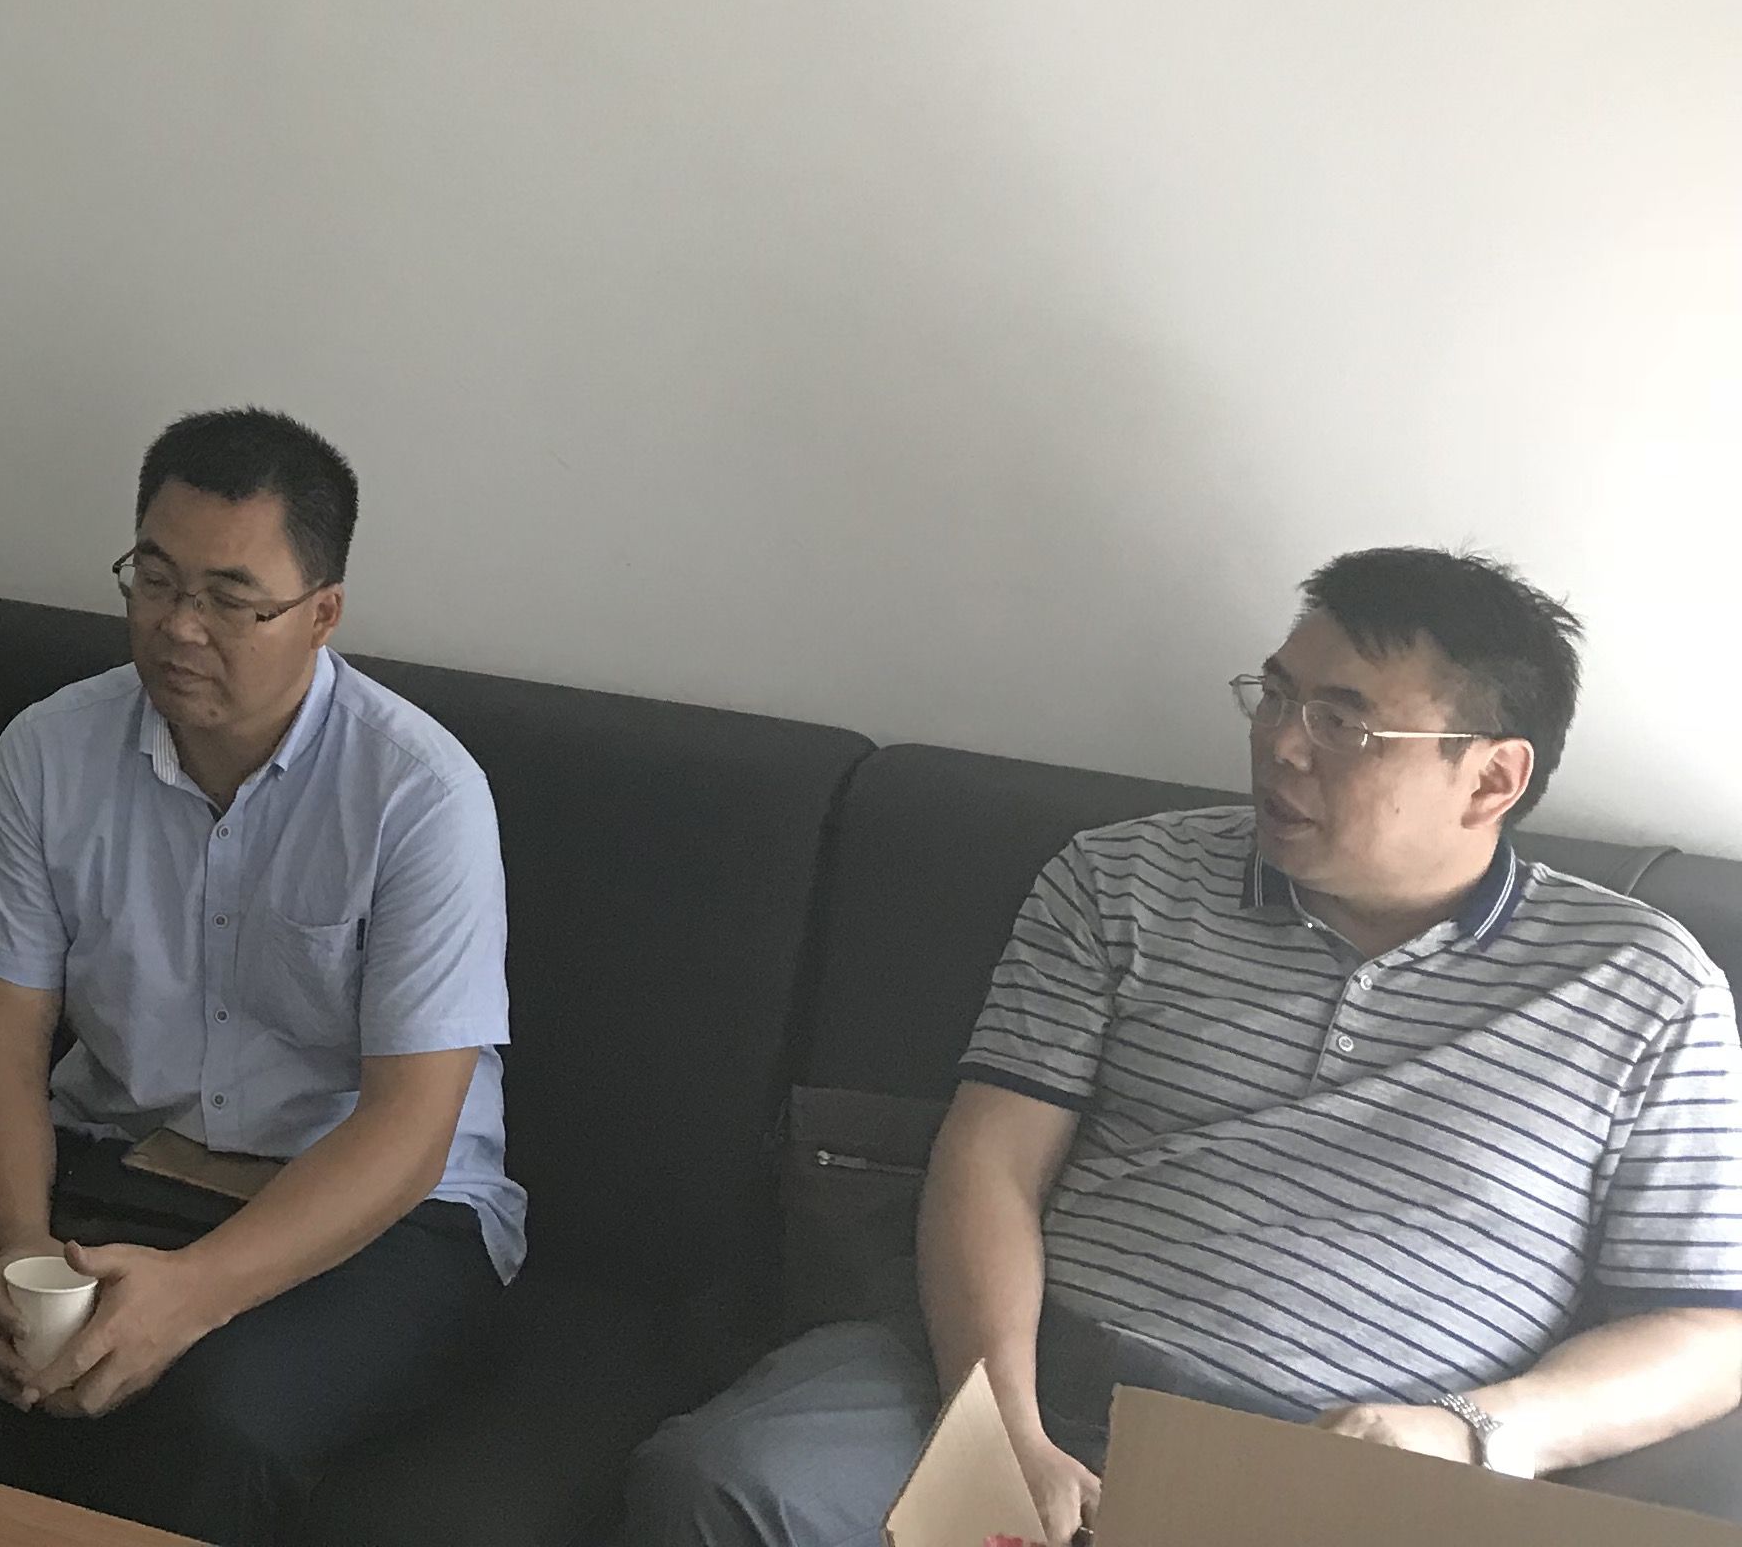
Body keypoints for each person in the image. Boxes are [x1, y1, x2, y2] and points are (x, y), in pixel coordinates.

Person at [625, 547, 1742, 1547]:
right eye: (1278, 695)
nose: (1281, 745)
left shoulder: (1641, 985)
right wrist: (1004, 1427)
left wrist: (1470, 1432)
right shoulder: (1125, 880)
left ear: (1491, 776)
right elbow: (991, 1158)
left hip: (1334, 1452)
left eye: (1342, 722)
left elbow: (1706, 1327)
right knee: (727, 1483)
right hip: (1033, 1356)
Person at [0, 408, 524, 1546]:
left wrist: (192, 1296)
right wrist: (17, 1248)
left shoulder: (419, 795)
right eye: (153, 580)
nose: (178, 627)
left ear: (322, 614)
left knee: (218, 1422)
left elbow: (410, 1129)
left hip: (381, 1211)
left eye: (230, 599)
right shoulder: (49, 752)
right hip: (127, 1157)